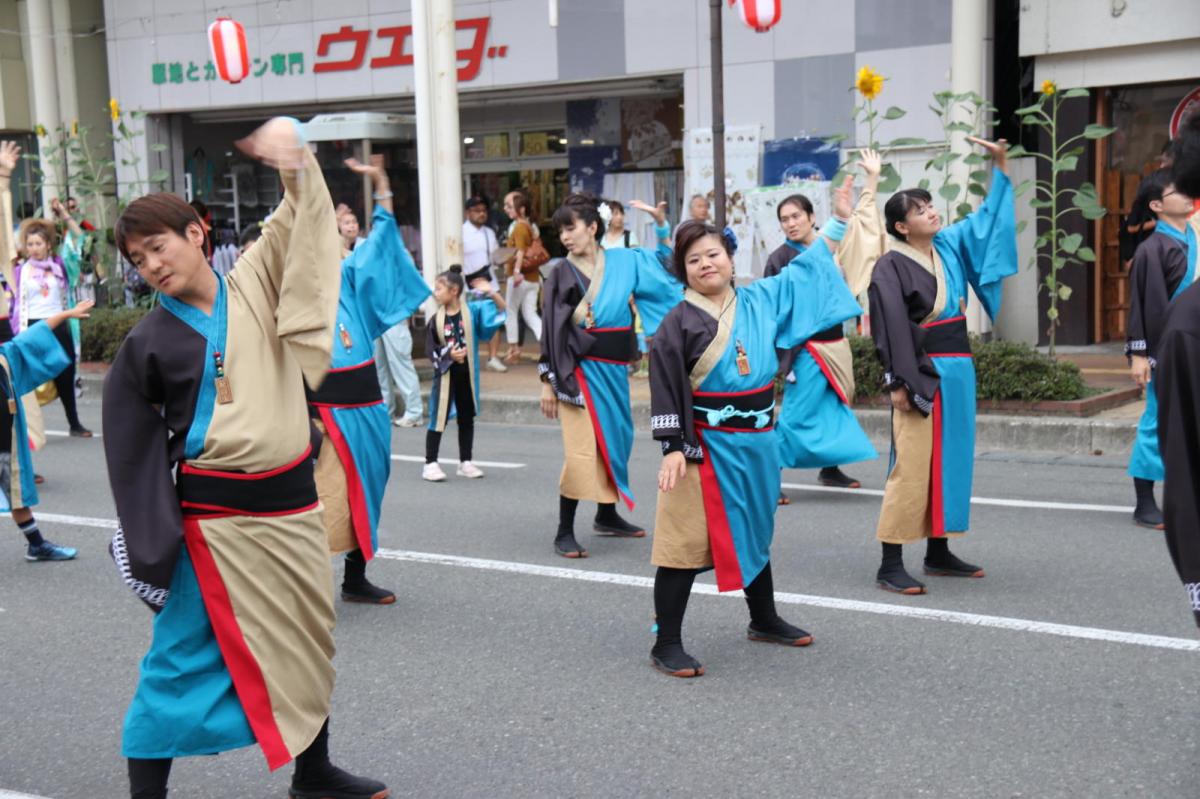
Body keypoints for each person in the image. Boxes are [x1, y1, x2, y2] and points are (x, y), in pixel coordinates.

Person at [101, 117, 389, 799]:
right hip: (214, 528)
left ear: (198, 233)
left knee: (307, 644)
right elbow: (131, 455)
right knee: (176, 665)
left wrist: (295, 161)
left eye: (158, 246)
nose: (152, 265)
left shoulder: (253, 284)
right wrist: (150, 541)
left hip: (292, 508)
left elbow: (299, 221)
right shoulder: (147, 342)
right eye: (139, 261)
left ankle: (313, 773)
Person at [648, 181, 862, 678]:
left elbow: (808, 271)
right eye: (694, 260)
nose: (706, 265)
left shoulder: (763, 298)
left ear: (730, 256)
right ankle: (667, 642)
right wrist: (673, 446)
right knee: (682, 545)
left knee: (756, 530)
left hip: (758, 440)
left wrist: (838, 220)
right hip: (702, 447)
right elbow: (664, 385)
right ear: (683, 271)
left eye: (714, 254)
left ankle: (763, 619)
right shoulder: (676, 324)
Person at [867, 136, 1016, 595]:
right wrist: (896, 379)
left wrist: (1001, 165)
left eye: (931, 205)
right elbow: (888, 324)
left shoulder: (948, 246)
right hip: (920, 371)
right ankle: (890, 560)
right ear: (901, 226)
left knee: (951, 459)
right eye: (920, 209)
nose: (932, 211)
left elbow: (986, 223)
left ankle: (938, 549)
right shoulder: (890, 266)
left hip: (958, 366)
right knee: (910, 462)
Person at [306, 156, 430, 604]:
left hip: (368, 407)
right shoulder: (290, 288)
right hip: (325, 412)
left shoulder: (349, 275)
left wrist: (382, 185)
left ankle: (354, 579)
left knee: (368, 490)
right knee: (327, 500)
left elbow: (382, 248)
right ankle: (303, 588)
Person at [539, 194, 680, 558]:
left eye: (571, 228)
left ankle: (606, 514)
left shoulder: (625, 260)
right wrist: (546, 380)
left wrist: (661, 225)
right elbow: (551, 329)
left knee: (616, 440)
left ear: (592, 227)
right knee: (582, 450)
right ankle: (563, 530)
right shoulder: (561, 273)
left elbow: (667, 269)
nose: (566, 237)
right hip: (578, 372)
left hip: (614, 369)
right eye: (561, 231)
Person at [766, 150, 885, 502]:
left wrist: (872, 182)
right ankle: (767, 476)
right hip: (806, 350)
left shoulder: (831, 247)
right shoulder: (781, 258)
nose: (790, 223)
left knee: (835, 408)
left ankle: (829, 467)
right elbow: (774, 310)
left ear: (810, 216)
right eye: (784, 219)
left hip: (837, 344)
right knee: (796, 416)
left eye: (795, 215)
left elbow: (861, 234)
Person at [0, 140, 88, 561]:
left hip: (12, 376)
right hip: (24, 340)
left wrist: (68, 311)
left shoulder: (56, 266)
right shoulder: (19, 271)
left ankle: (37, 544)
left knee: (15, 476)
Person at [1124, 170, 1196, 529]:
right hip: (1166, 348)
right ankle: (1144, 502)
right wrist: (1139, 354)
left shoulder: (1194, 239)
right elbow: (1140, 304)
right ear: (1156, 205)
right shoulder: (1151, 249)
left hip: (1193, 344)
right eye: (1177, 190)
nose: (1186, 194)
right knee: (1156, 421)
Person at [423, 265, 506, 482]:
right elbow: (430, 350)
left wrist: (491, 292)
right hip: (445, 375)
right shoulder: (436, 320)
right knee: (438, 417)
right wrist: (449, 354)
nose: (435, 292)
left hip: (468, 375)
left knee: (466, 417)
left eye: (439, 288)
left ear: (454, 291)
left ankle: (465, 461)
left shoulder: (473, 311)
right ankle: (430, 463)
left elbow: (500, 310)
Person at [13, 215, 91, 437]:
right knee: (29, 379)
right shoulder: (20, 270)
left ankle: (74, 424)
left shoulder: (60, 267)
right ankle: (28, 428)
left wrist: (65, 215)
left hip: (59, 324)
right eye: (30, 244)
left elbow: (80, 240)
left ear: (48, 244)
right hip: (32, 327)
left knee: (66, 374)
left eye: (38, 243)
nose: (34, 249)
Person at [461, 195, 506, 373]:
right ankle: (468, 356)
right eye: (476, 210)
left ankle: (493, 357)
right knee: (469, 321)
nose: (481, 214)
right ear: (467, 213)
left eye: (484, 210)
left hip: (489, 281)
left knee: (494, 320)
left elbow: (494, 256)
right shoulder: (460, 232)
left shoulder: (489, 233)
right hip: (468, 283)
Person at [502, 190, 543, 364]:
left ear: (522, 209)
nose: (507, 209)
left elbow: (519, 251)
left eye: (511, 206)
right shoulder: (530, 227)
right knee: (530, 314)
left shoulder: (518, 227)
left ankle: (513, 349)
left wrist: (517, 271)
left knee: (510, 311)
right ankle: (547, 347)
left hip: (519, 278)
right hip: (533, 278)